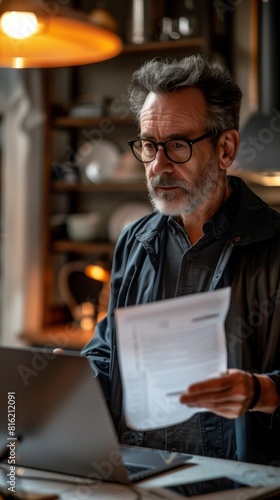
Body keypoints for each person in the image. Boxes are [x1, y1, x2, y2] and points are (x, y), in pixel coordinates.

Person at [82, 54, 280, 466]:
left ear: (225, 149)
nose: (158, 166)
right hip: (139, 473)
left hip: (237, 481)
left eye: (177, 145)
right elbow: (111, 352)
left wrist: (261, 391)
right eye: (149, 145)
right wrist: (66, 383)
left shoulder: (275, 245)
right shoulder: (134, 241)